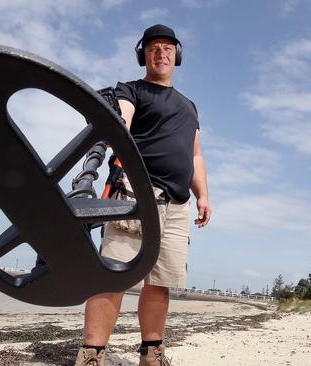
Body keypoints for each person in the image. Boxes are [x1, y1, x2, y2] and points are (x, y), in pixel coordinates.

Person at [75, 24, 211, 366]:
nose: (160, 53)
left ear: (177, 55)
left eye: (167, 48)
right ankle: (92, 354)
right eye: (153, 48)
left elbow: (195, 155)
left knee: (161, 282)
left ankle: (152, 354)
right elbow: (122, 119)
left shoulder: (190, 106)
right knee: (114, 273)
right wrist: (116, 121)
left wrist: (204, 196)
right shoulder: (131, 90)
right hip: (134, 194)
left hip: (179, 203)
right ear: (143, 55)